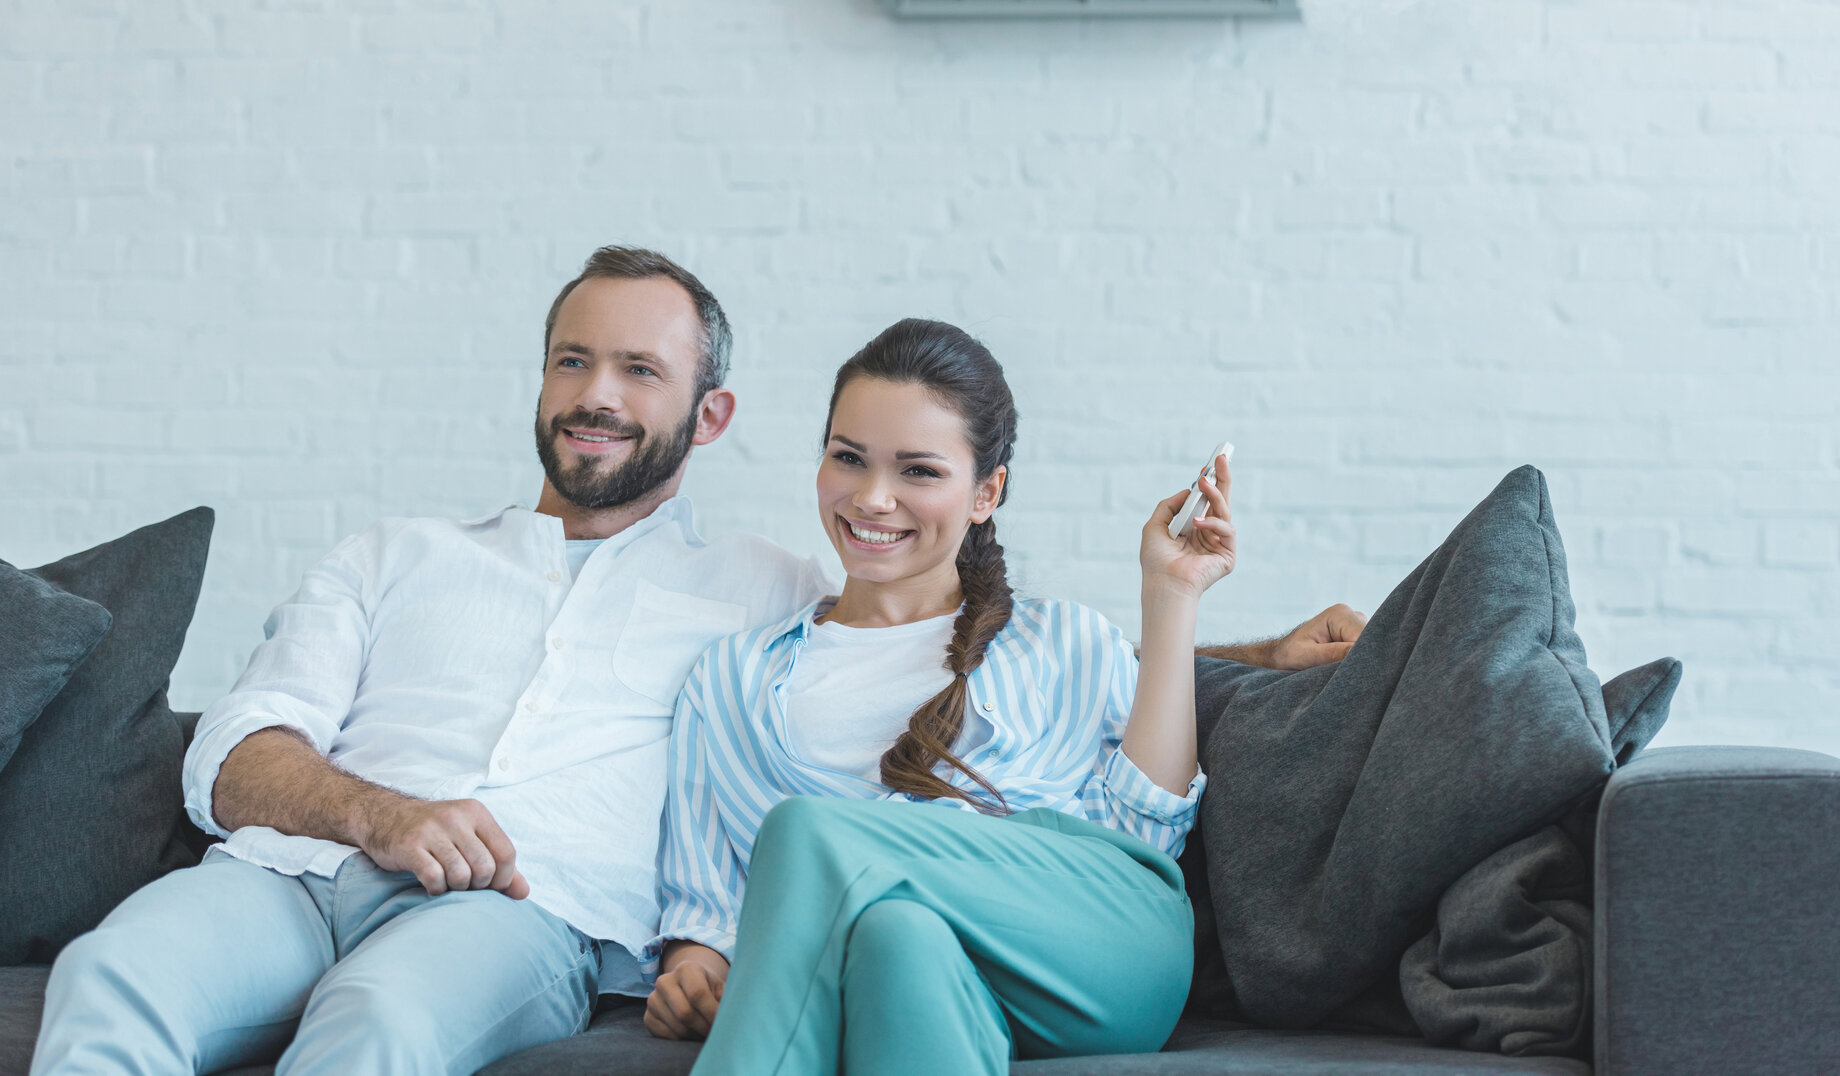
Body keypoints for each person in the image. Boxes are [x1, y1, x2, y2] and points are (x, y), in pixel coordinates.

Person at [30, 248, 831, 1075]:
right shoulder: (393, 554)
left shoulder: (767, 591)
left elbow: (840, 748)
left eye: (639, 370)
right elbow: (232, 753)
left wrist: (709, 943)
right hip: (290, 877)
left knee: (379, 1018)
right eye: (573, 361)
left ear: (710, 415)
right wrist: (384, 816)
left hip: (516, 912)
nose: (597, 394)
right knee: (107, 973)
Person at [645, 318, 1337, 1075]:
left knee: (809, 836)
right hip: (916, 952)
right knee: (893, 938)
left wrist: (1170, 594)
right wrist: (695, 972)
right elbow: (704, 907)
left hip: (1103, 940)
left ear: (986, 493)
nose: (874, 498)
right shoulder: (732, 680)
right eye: (849, 458)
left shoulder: (1058, 640)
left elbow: (1147, 829)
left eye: (919, 471)